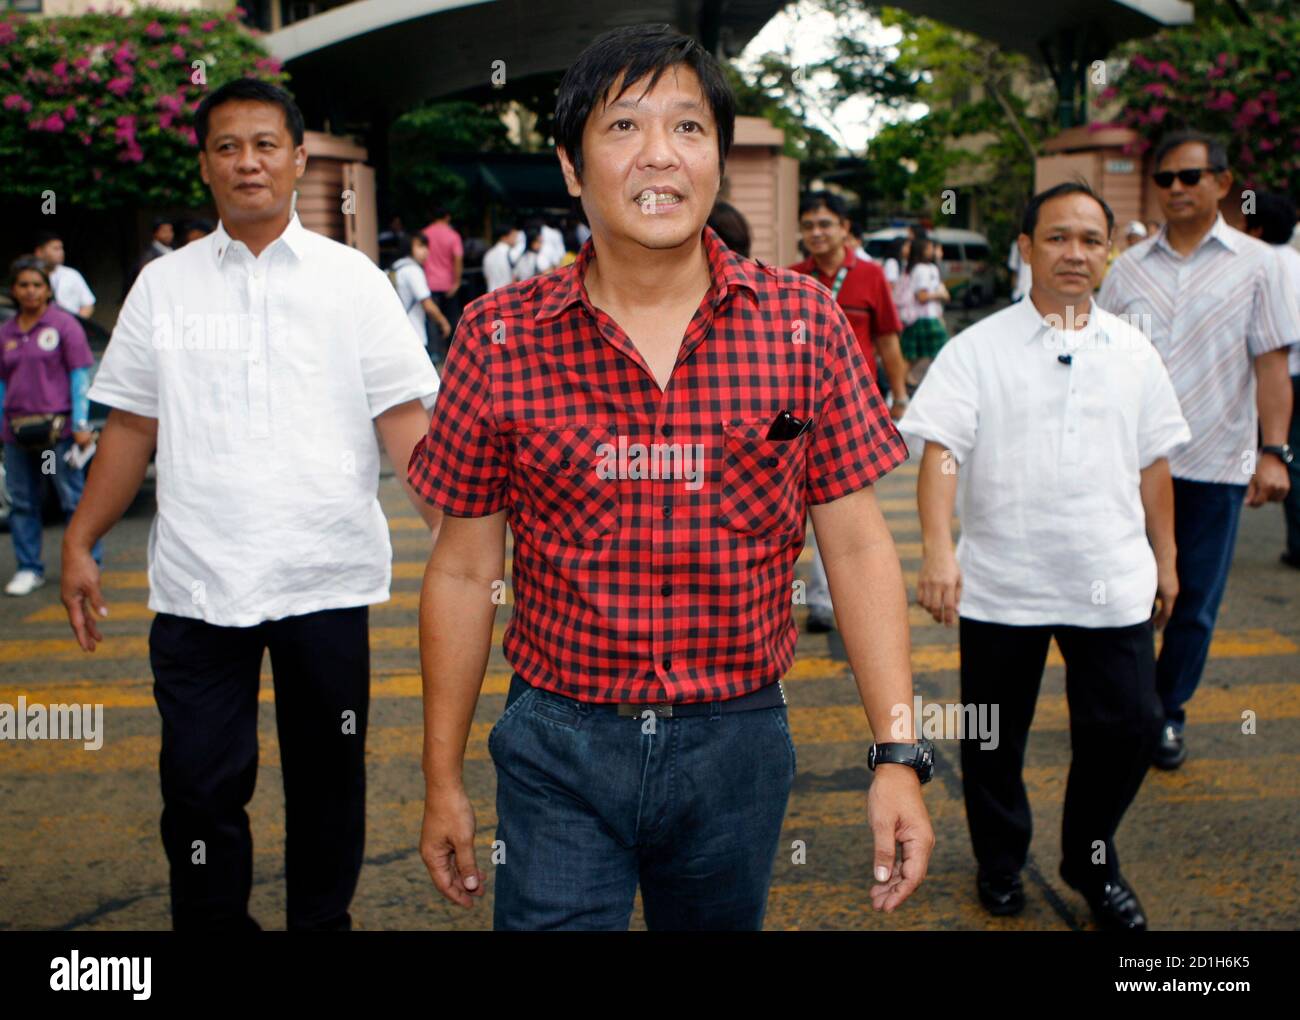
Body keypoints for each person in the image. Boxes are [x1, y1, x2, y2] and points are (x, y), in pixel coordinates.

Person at [408, 22, 933, 931]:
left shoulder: (803, 324)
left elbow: (855, 546)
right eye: (623, 128)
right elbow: (461, 570)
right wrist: (441, 779)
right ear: (572, 168)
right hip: (558, 741)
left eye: (688, 128)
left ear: (719, 160)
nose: (661, 155)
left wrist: (896, 753)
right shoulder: (496, 337)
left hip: (738, 745)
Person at [59, 79, 442, 931]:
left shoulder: (355, 283)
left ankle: (319, 924)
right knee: (197, 790)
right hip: (199, 587)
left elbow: (407, 427)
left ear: (299, 158)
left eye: (265, 144)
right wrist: (80, 540)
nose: (248, 162)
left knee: (328, 782)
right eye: (227, 146)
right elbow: (129, 427)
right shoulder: (164, 289)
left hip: (326, 579)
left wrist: (462, 553)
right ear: (205, 166)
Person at [903, 181, 1190, 930]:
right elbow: (942, 455)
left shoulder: (1134, 351)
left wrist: (1166, 560)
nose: (1075, 253)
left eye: (1091, 240)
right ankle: (1000, 861)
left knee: (1129, 729)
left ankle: (1089, 862)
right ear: (1025, 248)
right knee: (993, 738)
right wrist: (939, 550)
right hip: (1004, 585)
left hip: (1112, 579)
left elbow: (1154, 464)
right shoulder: (976, 350)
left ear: (1107, 254)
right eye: (1058, 237)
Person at [1099, 130, 1299, 769]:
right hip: (1128, 466)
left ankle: (1165, 714)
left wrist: (1274, 451)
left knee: (1193, 602)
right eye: (1166, 179)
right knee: (1126, 595)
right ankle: (1126, 710)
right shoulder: (1126, 270)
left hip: (1216, 462)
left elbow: (1271, 364)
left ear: (1221, 181)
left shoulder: (1259, 264)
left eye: (1191, 177)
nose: (1178, 189)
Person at [791, 190, 909, 635]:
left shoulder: (871, 276)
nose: (817, 233)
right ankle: (812, 594)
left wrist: (899, 395)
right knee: (799, 500)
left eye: (825, 224)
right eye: (808, 226)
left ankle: (828, 598)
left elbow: (887, 340)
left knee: (843, 502)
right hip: (799, 405)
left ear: (845, 229)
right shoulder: (792, 278)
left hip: (852, 407)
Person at [1, 257, 102, 596]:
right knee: (22, 502)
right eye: (24, 285)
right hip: (16, 431)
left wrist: (81, 423)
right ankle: (30, 568)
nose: (30, 291)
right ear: (14, 290)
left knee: (72, 499)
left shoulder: (63, 325)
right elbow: (2, 383)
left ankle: (89, 563)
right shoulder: (7, 332)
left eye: (37, 285)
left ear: (48, 290)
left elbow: (79, 377)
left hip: (59, 431)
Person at [1243, 191, 1300, 568]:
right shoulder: (1296, 261)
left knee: (1283, 458)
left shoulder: (1259, 266)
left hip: (1281, 377)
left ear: (1258, 229)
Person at [391, 231, 452, 346]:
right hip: (413, 332)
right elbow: (427, 304)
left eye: (426, 247)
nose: (426, 251)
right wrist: (443, 322)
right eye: (420, 246)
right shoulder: (413, 270)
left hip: (397, 331)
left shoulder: (395, 267)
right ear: (408, 247)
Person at [900, 234, 949, 370]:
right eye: (929, 248)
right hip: (924, 317)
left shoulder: (929, 268)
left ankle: (902, 383)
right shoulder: (922, 269)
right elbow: (921, 297)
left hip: (929, 317)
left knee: (917, 354)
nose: (932, 251)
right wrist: (940, 294)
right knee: (939, 353)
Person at [421, 206, 463, 361]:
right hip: (448, 285)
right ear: (447, 217)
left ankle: (434, 355)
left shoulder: (424, 234)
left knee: (432, 322)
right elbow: (457, 258)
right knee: (452, 320)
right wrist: (456, 282)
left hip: (428, 284)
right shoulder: (453, 235)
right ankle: (452, 356)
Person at [33, 231, 95, 319]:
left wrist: (75, 326)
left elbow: (88, 304)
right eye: (56, 249)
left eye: (61, 248)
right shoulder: (30, 277)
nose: (61, 252)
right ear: (39, 252)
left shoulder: (72, 274)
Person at [124, 217, 174, 296]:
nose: (168, 234)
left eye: (170, 231)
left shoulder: (172, 251)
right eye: (164, 231)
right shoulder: (149, 255)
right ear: (156, 233)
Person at [481, 220, 521, 292]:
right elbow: (517, 277)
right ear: (504, 237)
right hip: (508, 295)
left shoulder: (488, 254)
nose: (516, 239)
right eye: (513, 236)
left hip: (491, 295)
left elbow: (487, 278)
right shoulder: (513, 253)